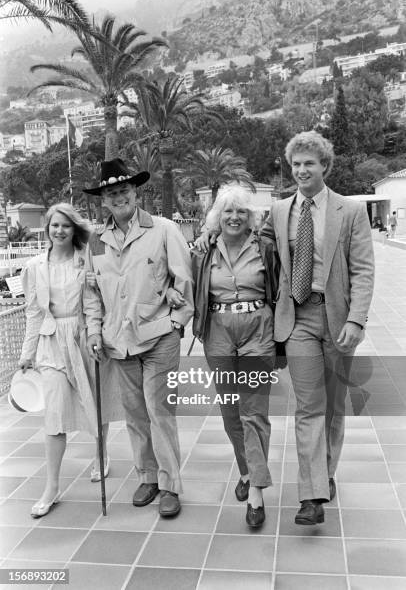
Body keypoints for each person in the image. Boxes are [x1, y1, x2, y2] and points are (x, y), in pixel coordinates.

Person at [196, 131, 374, 525]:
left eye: (309, 163)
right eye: (296, 164)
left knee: (334, 407)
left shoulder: (350, 212)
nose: (301, 170)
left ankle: (324, 473)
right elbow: (246, 237)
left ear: (324, 166)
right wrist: (212, 232)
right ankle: (312, 497)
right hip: (297, 319)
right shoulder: (278, 211)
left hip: (339, 318)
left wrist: (357, 319)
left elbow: (363, 270)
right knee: (309, 406)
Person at [82, 158, 194, 518]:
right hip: (118, 344)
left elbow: (184, 281)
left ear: (136, 191)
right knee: (134, 414)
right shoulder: (96, 243)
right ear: (103, 200)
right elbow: (91, 294)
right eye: (111, 193)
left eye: (124, 190)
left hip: (160, 338)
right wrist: (95, 332)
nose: (118, 197)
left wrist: (177, 322)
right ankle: (147, 475)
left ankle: (170, 485)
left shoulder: (163, 230)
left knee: (160, 412)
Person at [191, 184, 277, 528]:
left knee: (254, 412)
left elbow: (281, 284)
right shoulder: (204, 250)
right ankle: (246, 469)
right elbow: (185, 284)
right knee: (230, 413)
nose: (235, 217)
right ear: (217, 217)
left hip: (258, 329)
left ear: (251, 216)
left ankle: (256, 491)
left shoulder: (265, 247)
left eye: (241, 211)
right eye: (227, 211)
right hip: (218, 332)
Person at [18, 203, 99, 518]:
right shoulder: (35, 266)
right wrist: (27, 354)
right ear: (47, 228)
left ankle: (101, 456)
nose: (60, 231)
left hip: (81, 337)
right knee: (53, 417)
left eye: (66, 225)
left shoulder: (85, 260)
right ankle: (51, 486)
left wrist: (94, 334)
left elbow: (93, 302)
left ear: (74, 229)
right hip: (50, 343)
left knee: (93, 401)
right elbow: (33, 312)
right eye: (55, 225)